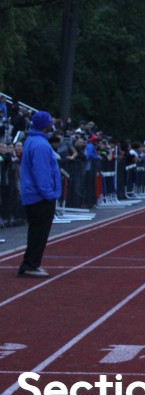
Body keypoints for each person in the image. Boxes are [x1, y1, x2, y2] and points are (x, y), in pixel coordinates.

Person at [18, 111, 61, 278]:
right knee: (39, 233)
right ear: (46, 125)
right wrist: (48, 193)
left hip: (33, 194)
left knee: (36, 231)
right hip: (39, 196)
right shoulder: (41, 145)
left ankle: (31, 263)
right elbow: (41, 172)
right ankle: (30, 264)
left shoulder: (32, 140)